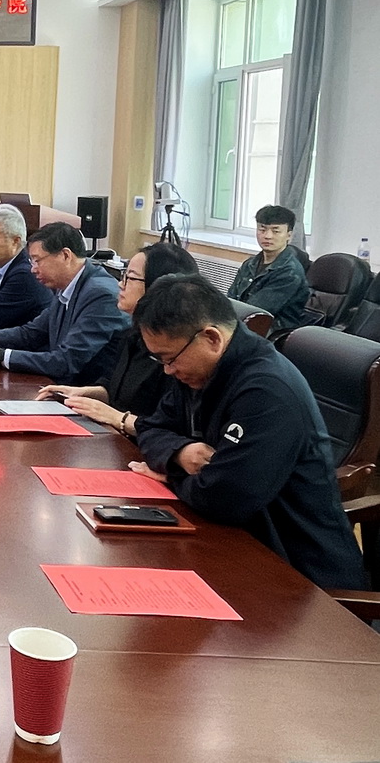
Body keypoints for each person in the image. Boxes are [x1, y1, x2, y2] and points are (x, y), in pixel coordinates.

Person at [130, 275, 367, 590]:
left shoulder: (268, 390)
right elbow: (150, 426)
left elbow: (224, 500)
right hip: (235, 548)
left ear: (212, 338)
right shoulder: (196, 370)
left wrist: (170, 475)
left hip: (301, 579)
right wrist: (180, 454)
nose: (167, 370)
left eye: (170, 359)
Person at [37, 240, 198, 438]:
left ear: (159, 286)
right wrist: (80, 393)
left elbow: (166, 425)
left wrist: (118, 418)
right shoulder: (132, 334)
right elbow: (116, 390)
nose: (120, 284)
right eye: (123, 275)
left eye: (130, 278)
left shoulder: (174, 351)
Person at [0, 222, 130, 383]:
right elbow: (30, 333)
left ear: (65, 255)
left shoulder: (100, 294)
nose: (33, 269)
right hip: (59, 386)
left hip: (87, 396)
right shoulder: (68, 284)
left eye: (37, 260)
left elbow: (66, 360)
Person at [228, 204, 313, 335]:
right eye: (262, 230)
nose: (267, 236)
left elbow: (257, 310)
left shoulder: (290, 272)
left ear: (289, 235)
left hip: (273, 331)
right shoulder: (250, 263)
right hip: (243, 323)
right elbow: (232, 298)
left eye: (276, 231)